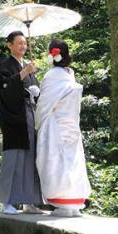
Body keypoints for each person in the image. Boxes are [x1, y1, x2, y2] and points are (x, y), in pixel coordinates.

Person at [34, 39, 91, 217]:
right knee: (72, 161)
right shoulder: (69, 74)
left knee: (54, 162)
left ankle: (62, 203)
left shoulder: (52, 76)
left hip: (55, 124)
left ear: (51, 56)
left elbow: (44, 105)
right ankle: (74, 203)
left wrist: (36, 97)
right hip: (71, 123)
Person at [0, 31, 43, 214]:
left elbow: (35, 90)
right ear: (9, 45)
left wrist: (36, 91)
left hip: (30, 114)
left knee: (31, 157)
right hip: (14, 118)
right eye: (19, 43)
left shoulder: (27, 65)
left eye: (25, 43)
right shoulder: (5, 66)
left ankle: (29, 201)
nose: (23, 46)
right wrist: (25, 72)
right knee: (13, 158)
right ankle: (5, 201)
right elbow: (5, 89)